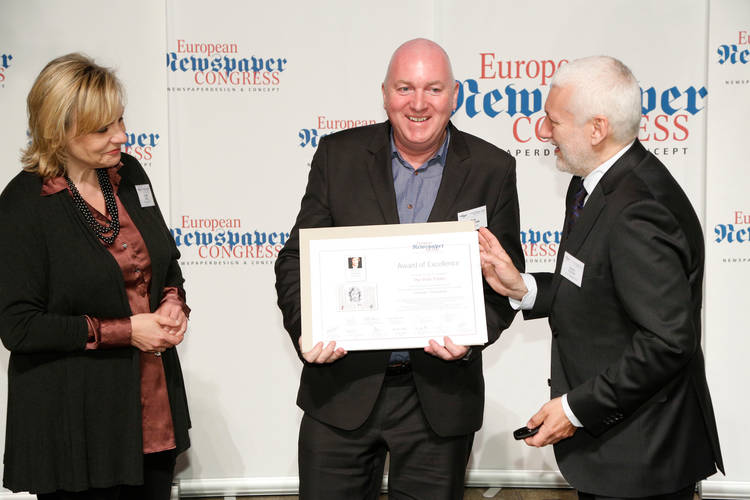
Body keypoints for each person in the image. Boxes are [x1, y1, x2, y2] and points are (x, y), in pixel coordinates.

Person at [275, 38, 522, 500]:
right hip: (341, 392)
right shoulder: (337, 155)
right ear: (385, 93)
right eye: (405, 88)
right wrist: (309, 326)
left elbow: (505, 278)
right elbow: (295, 259)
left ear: (455, 95)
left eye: (433, 89)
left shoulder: (492, 168)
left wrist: (471, 338)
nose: (418, 103)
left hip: (440, 400)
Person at [478, 56, 723, 499]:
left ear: (597, 129)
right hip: (614, 450)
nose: (543, 131)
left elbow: (668, 342)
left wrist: (574, 410)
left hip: (643, 458)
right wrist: (524, 287)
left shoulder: (639, 210)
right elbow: (591, 285)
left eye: (554, 121)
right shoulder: (591, 183)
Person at [0, 53, 191, 499]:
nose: (121, 136)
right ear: (58, 130)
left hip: (151, 415)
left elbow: (166, 263)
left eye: (120, 120)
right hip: (75, 427)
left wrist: (172, 302)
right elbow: (19, 326)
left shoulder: (130, 175)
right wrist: (127, 331)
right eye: (103, 128)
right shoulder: (23, 205)